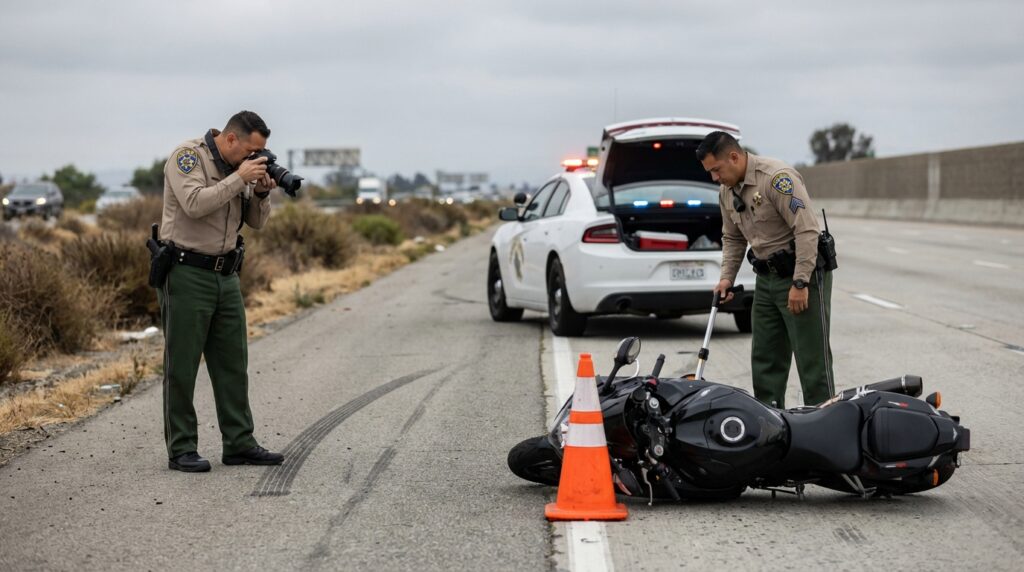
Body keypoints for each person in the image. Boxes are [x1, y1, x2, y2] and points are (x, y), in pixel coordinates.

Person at [157, 110, 284, 472]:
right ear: (231, 139)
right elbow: (194, 204)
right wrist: (239, 178)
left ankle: (240, 443)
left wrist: (259, 192)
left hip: (226, 275)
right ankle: (181, 448)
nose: (254, 158)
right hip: (186, 273)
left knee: (233, 364)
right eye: (250, 150)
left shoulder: (241, 167)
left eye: (259, 153)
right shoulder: (188, 157)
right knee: (182, 366)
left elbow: (257, 223)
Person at [696, 131, 834, 408]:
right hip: (766, 280)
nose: (714, 178)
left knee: (811, 360)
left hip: (800, 276)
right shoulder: (727, 192)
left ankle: (825, 425)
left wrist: (800, 283)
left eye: (716, 169)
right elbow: (733, 237)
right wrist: (726, 278)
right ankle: (771, 424)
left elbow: (807, 230)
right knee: (765, 359)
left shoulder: (777, 178)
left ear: (734, 157)